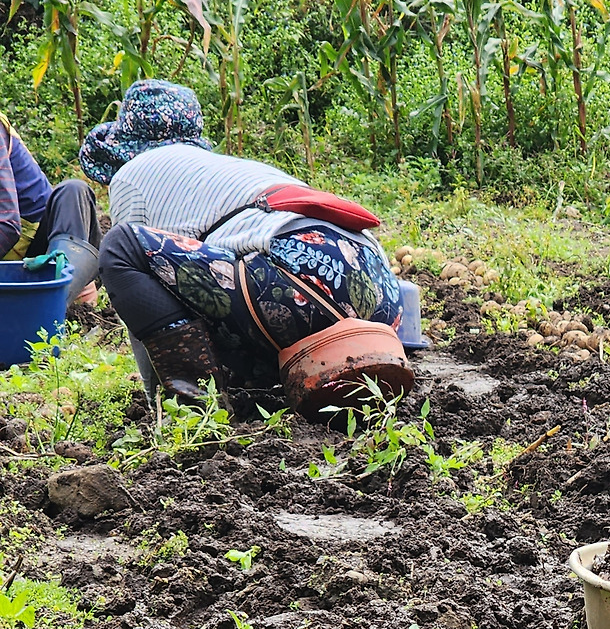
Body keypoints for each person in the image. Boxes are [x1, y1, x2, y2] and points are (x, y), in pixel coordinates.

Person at [81, 80, 402, 404]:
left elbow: (145, 281)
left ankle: (193, 403)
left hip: (301, 277)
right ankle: (262, 388)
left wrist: (155, 394)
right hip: (383, 297)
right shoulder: (228, 170)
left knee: (120, 247)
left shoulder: (132, 173)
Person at [0, 117, 101, 302]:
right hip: (6, 270)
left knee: (73, 191)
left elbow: (8, 225)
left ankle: (61, 298)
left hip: (40, 252)